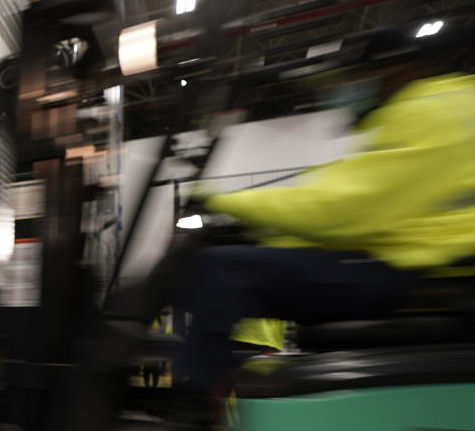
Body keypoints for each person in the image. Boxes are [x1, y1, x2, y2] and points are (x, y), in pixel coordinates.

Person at [171, 24, 475, 406]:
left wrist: (223, 201)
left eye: (365, 76)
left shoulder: (425, 112)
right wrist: (267, 234)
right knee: (244, 266)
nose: (359, 88)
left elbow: (341, 211)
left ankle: (195, 406)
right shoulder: (459, 104)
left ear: (399, 69)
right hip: (438, 270)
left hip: (416, 275)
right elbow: (364, 212)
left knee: (221, 269)